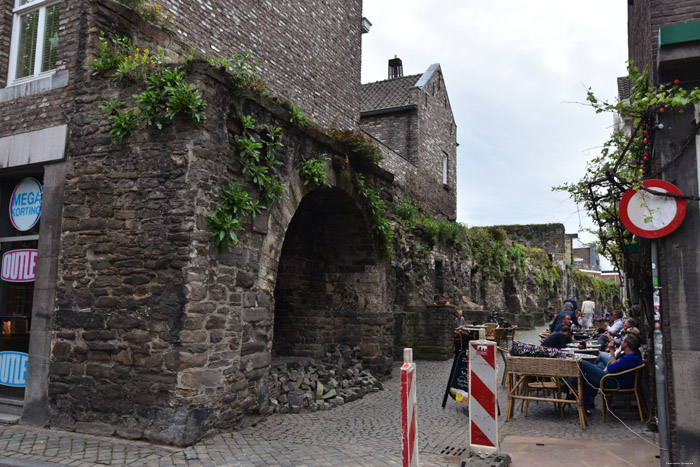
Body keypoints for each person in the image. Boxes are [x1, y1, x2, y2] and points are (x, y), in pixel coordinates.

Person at [578, 334, 643, 414]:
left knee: (583, 363)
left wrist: (611, 350)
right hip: (617, 378)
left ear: (626, 344)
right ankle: (587, 405)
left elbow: (612, 368)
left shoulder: (629, 358)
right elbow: (614, 367)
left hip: (615, 382)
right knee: (591, 372)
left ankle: (571, 384)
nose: (620, 342)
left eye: (622, 341)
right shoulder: (633, 355)